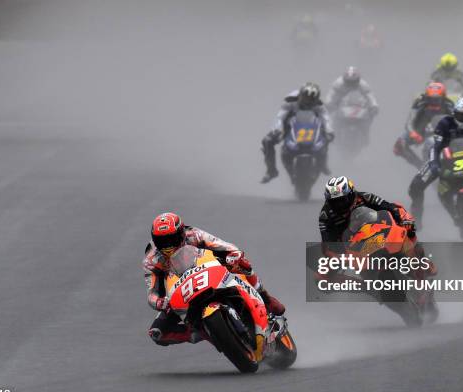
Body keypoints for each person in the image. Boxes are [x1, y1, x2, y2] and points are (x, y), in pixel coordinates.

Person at [144, 212, 285, 346]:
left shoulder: (194, 235)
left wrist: (233, 256)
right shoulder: (152, 260)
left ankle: (264, 296)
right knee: (157, 333)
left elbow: (224, 246)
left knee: (242, 264)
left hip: (209, 271)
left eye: (171, 239)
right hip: (180, 293)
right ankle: (202, 332)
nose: (168, 246)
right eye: (162, 241)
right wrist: (159, 302)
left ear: (181, 233)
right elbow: (151, 292)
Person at [408, 97, 463, 226]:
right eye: (460, 115)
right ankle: (416, 220)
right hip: (444, 157)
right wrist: (433, 163)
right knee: (415, 186)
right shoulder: (444, 124)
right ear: (454, 113)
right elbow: (436, 146)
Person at [261, 82, 335, 183]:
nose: (308, 102)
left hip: (311, 128)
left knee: (327, 136)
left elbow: (326, 118)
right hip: (289, 126)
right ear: (301, 95)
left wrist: (329, 131)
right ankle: (271, 171)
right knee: (267, 141)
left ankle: (322, 164)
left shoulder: (319, 105)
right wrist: (277, 130)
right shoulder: (290, 102)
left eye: (312, 99)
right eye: (306, 98)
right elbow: (279, 117)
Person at [318, 176, 414, 243]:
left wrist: (405, 220)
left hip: (379, 235)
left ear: (351, 194)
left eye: (342, 200)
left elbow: (392, 207)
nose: (339, 205)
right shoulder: (325, 215)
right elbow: (327, 242)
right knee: (325, 269)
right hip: (352, 246)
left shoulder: (366, 197)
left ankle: (421, 260)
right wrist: (335, 255)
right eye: (334, 202)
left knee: (409, 231)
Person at [393, 82, 454, 169]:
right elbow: (408, 123)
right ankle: (421, 167)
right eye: (431, 99)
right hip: (421, 130)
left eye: (437, 100)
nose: (434, 103)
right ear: (426, 97)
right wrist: (413, 133)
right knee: (399, 145)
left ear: (443, 97)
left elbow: (458, 121)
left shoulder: (449, 104)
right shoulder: (419, 103)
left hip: (442, 131)